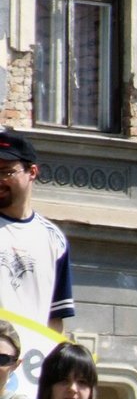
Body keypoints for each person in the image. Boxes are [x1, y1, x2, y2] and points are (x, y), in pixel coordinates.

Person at [0, 129, 73, 333]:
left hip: (33, 352)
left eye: (6, 172)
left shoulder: (53, 239)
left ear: (32, 172)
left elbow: (55, 318)